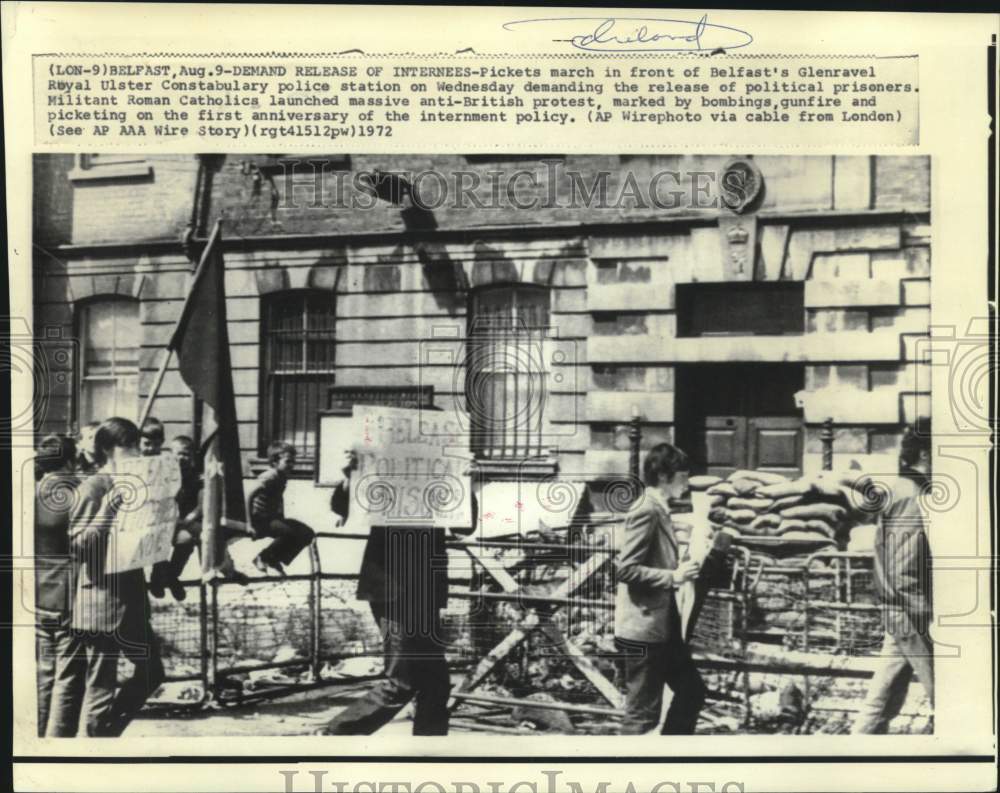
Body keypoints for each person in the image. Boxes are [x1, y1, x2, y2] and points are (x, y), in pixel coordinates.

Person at [319, 450, 457, 736]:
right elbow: (344, 507)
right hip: (390, 589)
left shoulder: (441, 483)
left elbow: (465, 523)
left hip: (426, 592)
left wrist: (469, 484)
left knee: (436, 680)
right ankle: (334, 734)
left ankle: (431, 753)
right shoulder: (384, 477)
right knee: (401, 680)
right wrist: (351, 476)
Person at [69, 417, 166, 737]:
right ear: (109, 449)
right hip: (100, 602)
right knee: (100, 688)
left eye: (139, 445)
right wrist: (108, 510)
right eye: (130, 447)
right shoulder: (93, 487)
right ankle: (96, 755)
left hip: (132, 601)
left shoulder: (137, 483)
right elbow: (77, 546)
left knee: (152, 672)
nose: (138, 453)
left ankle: (109, 732)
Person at [614, 442, 717, 735]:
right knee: (642, 716)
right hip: (644, 630)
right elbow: (626, 569)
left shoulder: (659, 508)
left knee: (691, 692)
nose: (687, 485)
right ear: (664, 476)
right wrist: (674, 576)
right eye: (683, 476)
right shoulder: (646, 510)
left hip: (662, 628)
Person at [853, 422, 935, 734]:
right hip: (911, 612)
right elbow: (903, 567)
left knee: (883, 696)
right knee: (951, 699)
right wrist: (926, 617)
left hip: (901, 609)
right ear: (926, 454)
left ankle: (853, 754)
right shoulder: (912, 496)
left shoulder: (904, 491)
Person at [34, 434, 85, 737]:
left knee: (44, 674)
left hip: (38, 594)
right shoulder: (77, 491)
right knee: (68, 678)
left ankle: (37, 736)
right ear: (69, 460)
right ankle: (57, 749)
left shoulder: (30, 491)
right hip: (69, 595)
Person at [247, 441, 316, 576]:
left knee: (307, 533)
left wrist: (282, 518)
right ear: (275, 462)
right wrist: (249, 525)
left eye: (293, 462)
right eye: (288, 461)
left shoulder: (282, 476)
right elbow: (248, 495)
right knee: (290, 532)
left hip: (272, 518)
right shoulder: (270, 475)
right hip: (260, 519)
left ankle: (274, 559)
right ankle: (263, 557)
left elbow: (279, 499)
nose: (292, 465)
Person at [149, 436, 203, 601]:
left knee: (186, 541)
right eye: (178, 453)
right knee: (160, 542)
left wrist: (187, 519)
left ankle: (173, 576)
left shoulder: (195, 477)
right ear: (170, 454)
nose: (182, 458)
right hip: (162, 521)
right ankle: (157, 578)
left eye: (186, 454)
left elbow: (201, 504)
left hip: (183, 521)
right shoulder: (162, 473)